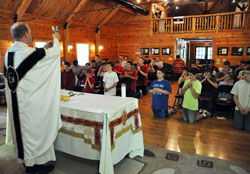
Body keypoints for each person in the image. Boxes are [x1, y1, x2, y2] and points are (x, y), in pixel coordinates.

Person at [4, 22, 60, 174]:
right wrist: (56, 39)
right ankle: (33, 167)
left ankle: (32, 164)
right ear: (26, 34)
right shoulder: (29, 53)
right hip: (29, 106)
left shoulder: (8, 54)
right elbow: (55, 55)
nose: (32, 34)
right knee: (34, 133)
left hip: (16, 105)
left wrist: (44, 49)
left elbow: (30, 60)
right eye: (30, 32)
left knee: (25, 135)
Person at [231, 67, 250, 131]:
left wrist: (248, 109)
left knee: (248, 129)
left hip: (249, 109)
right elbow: (235, 96)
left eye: (248, 73)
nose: (245, 75)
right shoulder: (238, 83)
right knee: (238, 127)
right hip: (239, 109)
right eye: (245, 73)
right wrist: (240, 108)